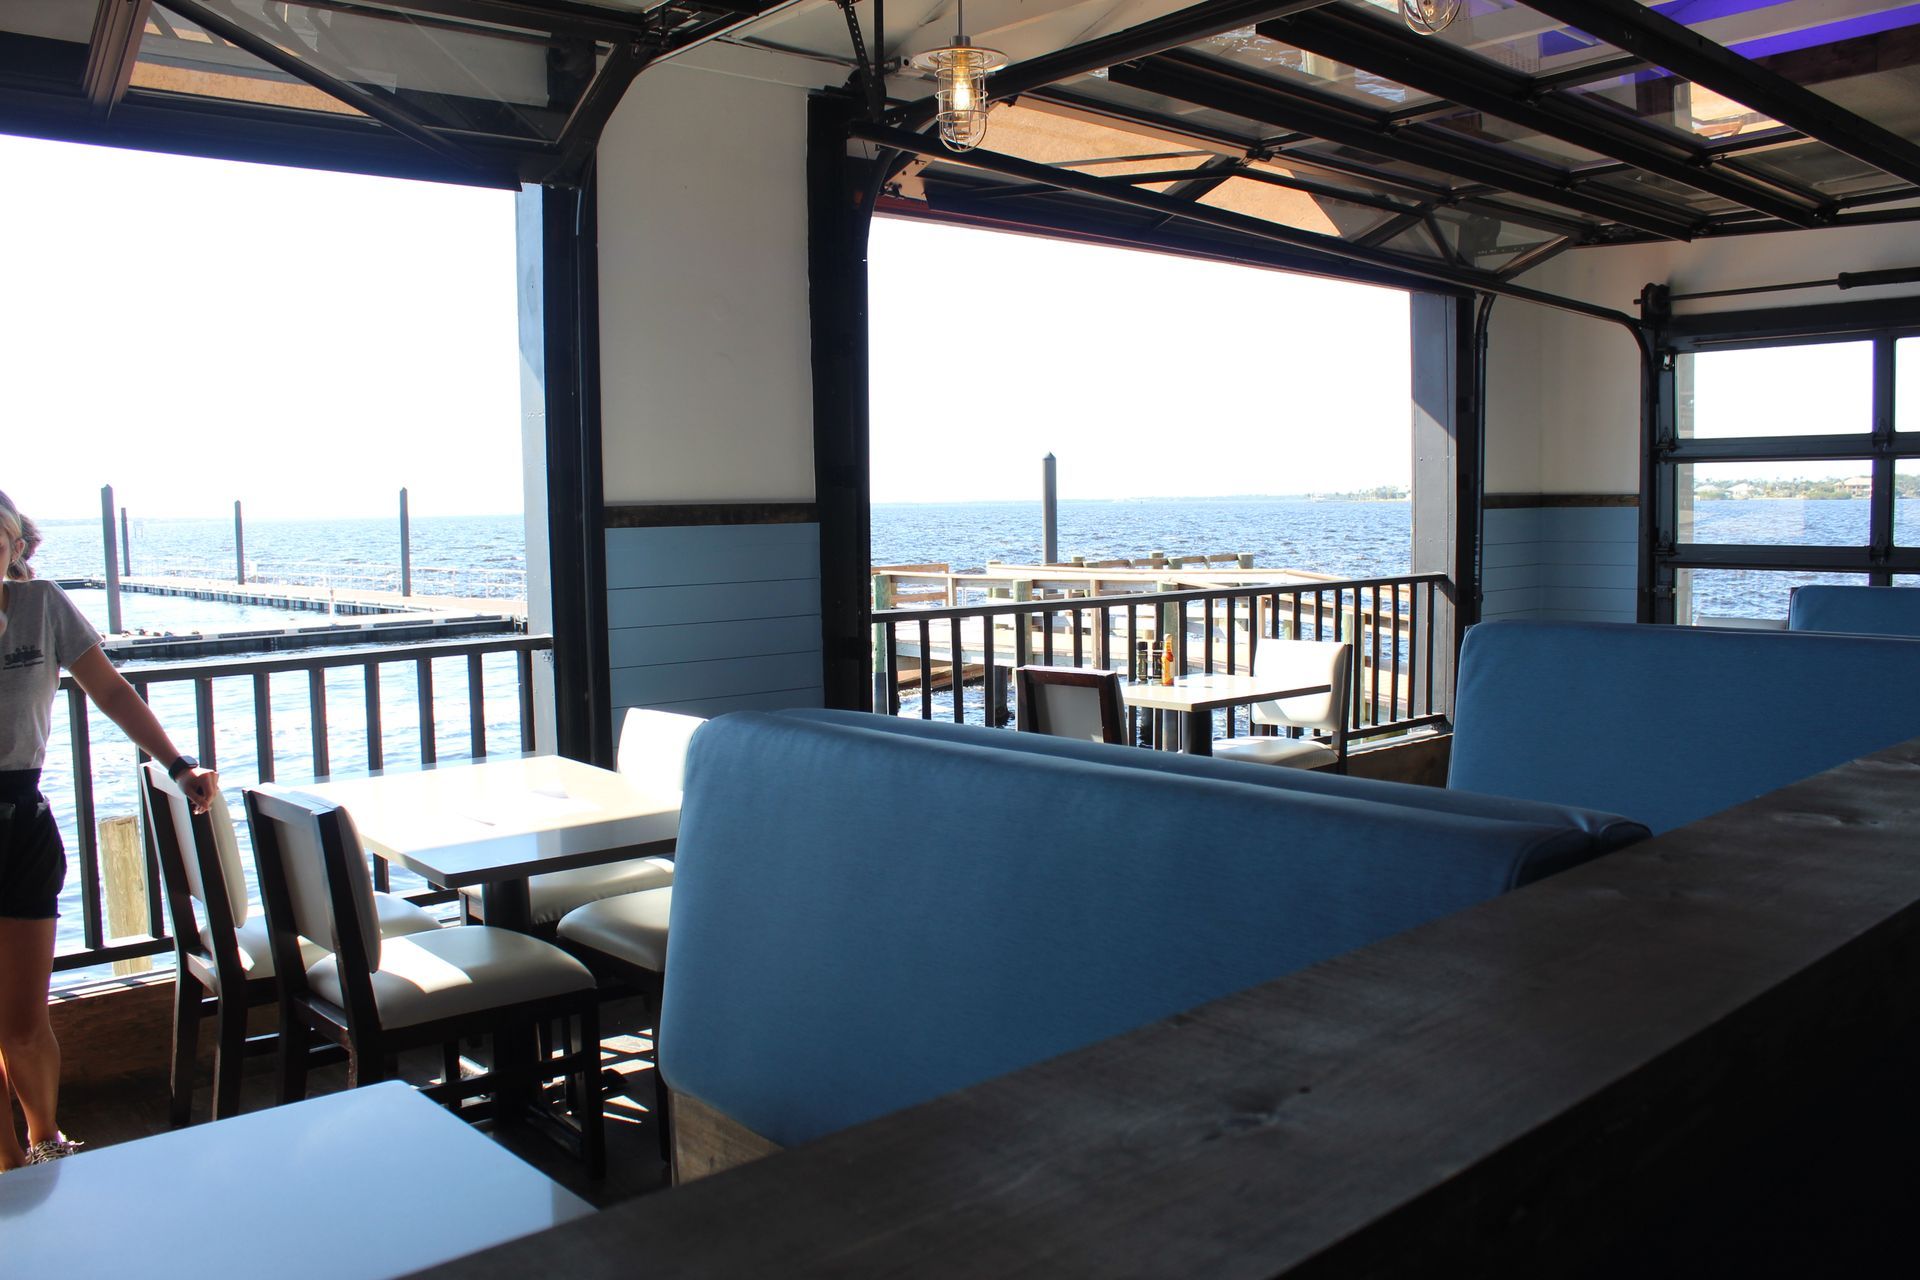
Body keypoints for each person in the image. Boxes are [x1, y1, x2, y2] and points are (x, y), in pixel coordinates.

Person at [0, 490, 216, 1170]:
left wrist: (179, 764)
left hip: (20, 827)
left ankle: (45, 1140)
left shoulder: (42, 608)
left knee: (25, 1021)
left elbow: (113, 691)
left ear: (16, 545)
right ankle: (9, 1167)